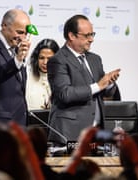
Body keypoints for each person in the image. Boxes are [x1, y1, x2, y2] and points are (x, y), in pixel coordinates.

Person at [46, 14, 120, 146]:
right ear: (72, 36)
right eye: (87, 35)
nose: (91, 39)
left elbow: (104, 92)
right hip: (69, 133)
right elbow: (65, 94)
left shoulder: (95, 59)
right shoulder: (58, 60)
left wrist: (109, 83)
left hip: (96, 134)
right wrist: (98, 85)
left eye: (93, 34)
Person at [0, 9, 31, 126]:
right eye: (19, 32)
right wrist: (18, 60)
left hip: (19, 120)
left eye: (25, 33)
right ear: (4, 26)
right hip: (1, 123)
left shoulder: (16, 49)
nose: (23, 37)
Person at [26, 39, 59, 110]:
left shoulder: (63, 78)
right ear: (36, 59)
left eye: (49, 58)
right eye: (41, 58)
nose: (45, 62)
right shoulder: (27, 76)